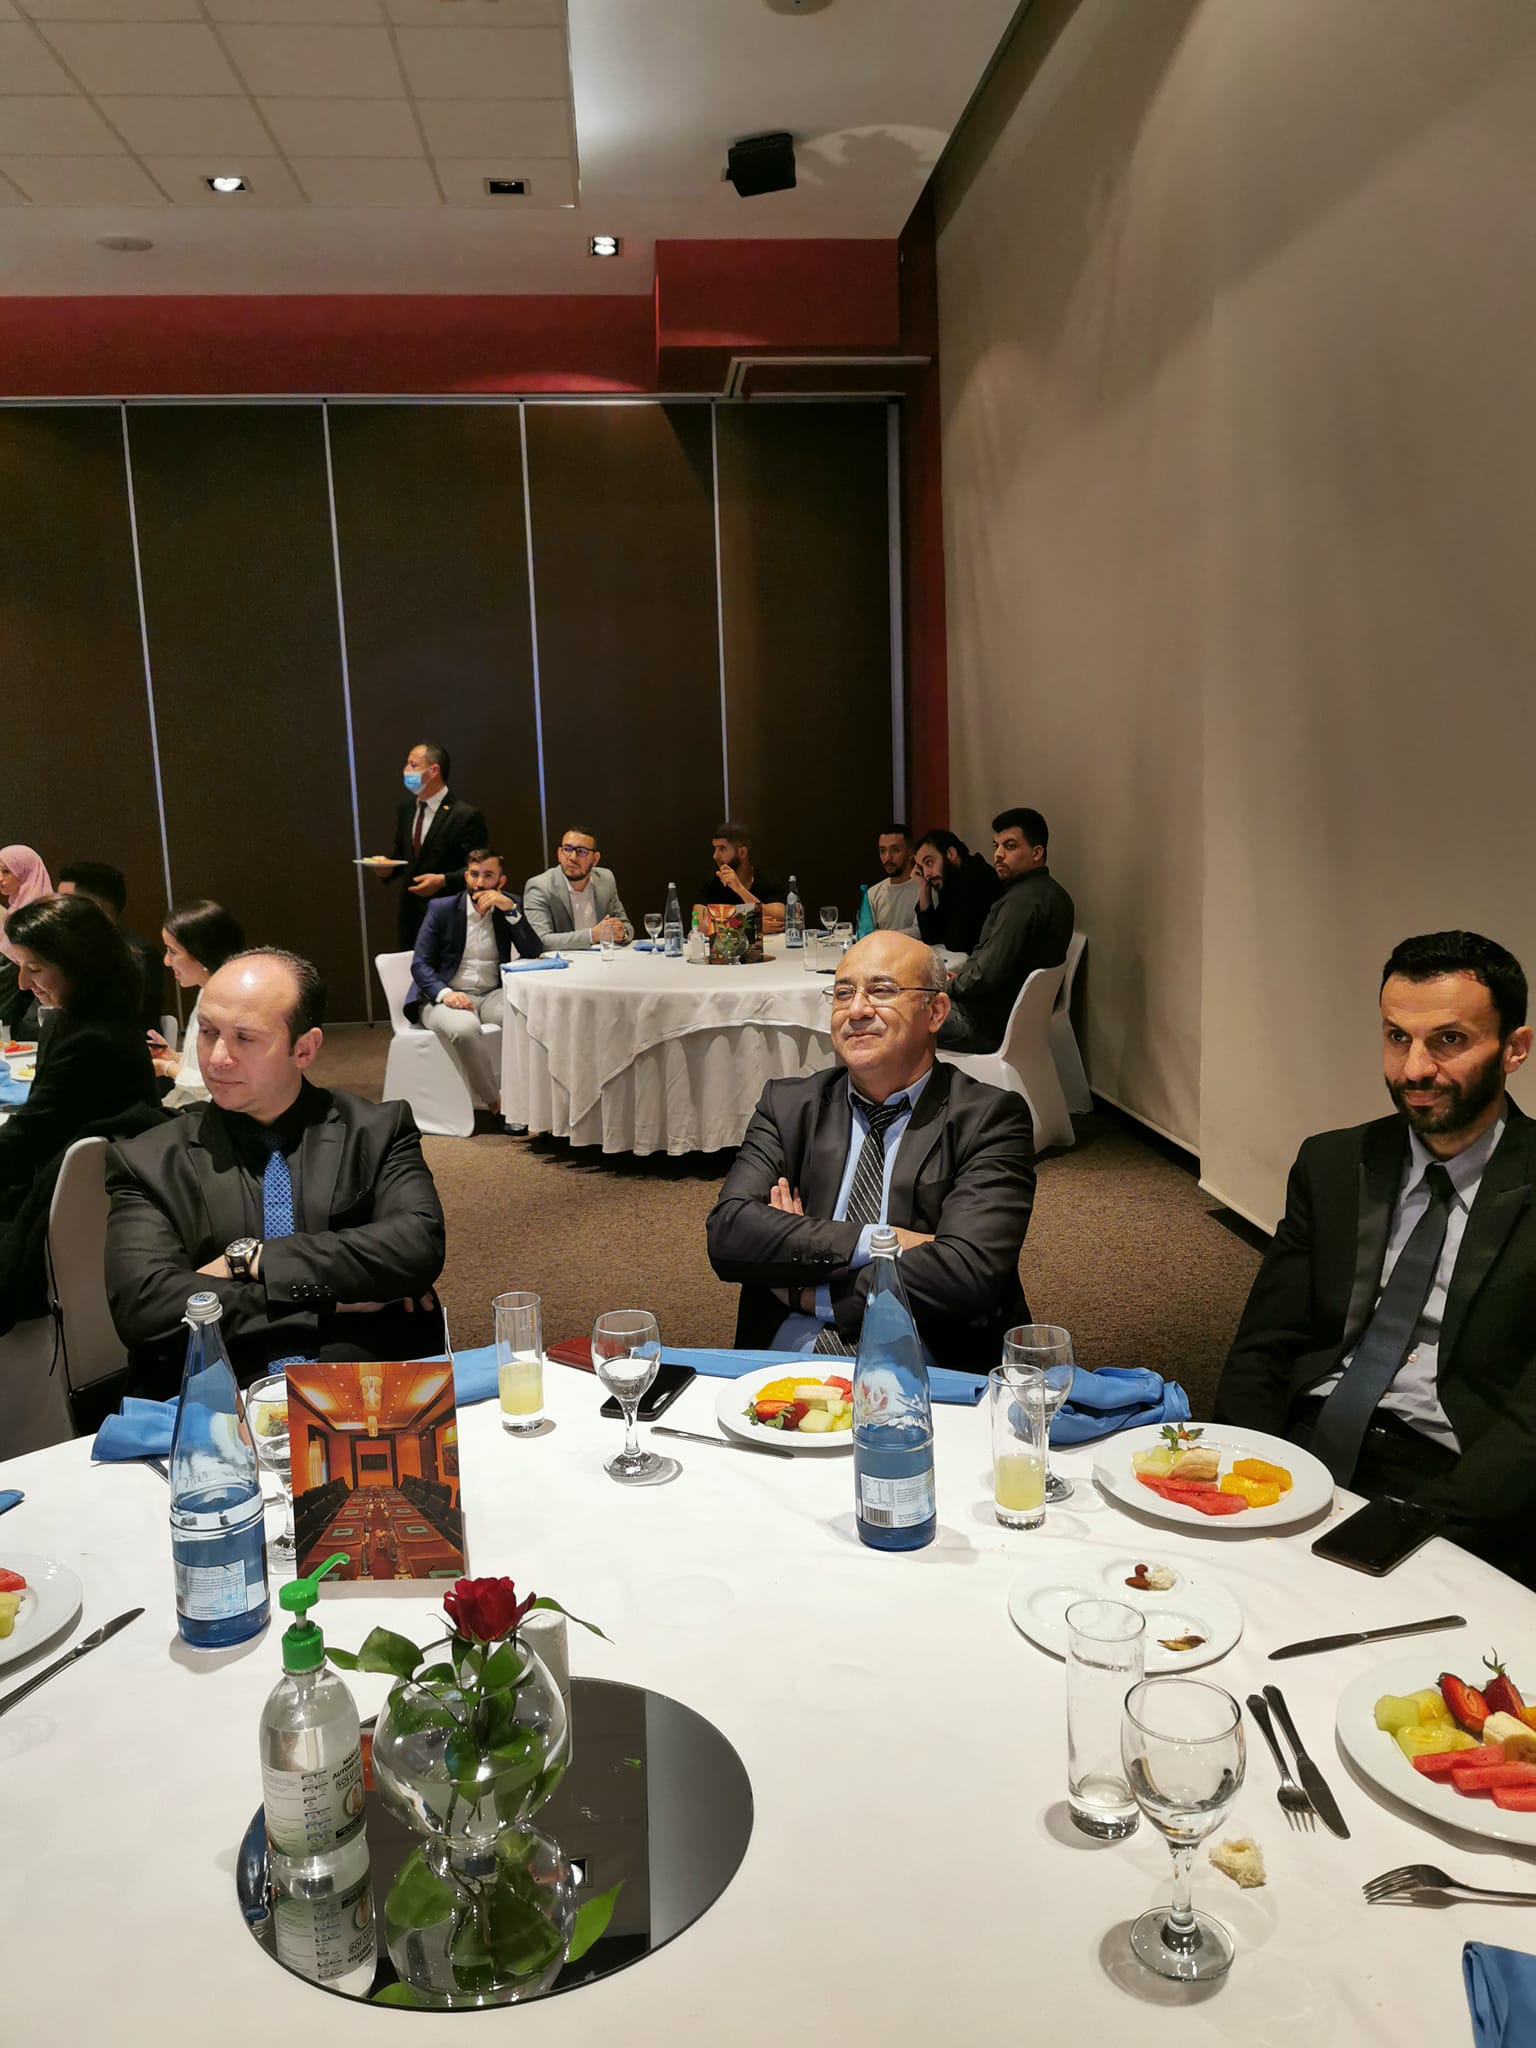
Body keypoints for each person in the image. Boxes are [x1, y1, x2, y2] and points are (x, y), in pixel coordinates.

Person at [1215, 930, 1536, 1585]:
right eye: (1397, 1037)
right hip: (1308, 1437)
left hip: (1454, 1474)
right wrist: (1248, 1469)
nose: (1414, 1069)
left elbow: (1527, 1426)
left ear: (1515, 1049)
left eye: (1448, 1040)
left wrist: (1403, 1527)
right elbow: (1264, 1346)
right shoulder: (1334, 1163)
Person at [105, 947, 446, 1393]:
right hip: (218, 1397)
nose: (217, 1057)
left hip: (361, 1393)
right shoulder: (148, 1160)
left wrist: (249, 1262)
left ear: (304, 1049)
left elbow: (416, 1247)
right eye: (207, 1032)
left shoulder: (377, 1130)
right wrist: (326, 1299)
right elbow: (145, 1308)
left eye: (244, 1038)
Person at [706, 930, 1035, 1367]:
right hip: (782, 1356)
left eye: (881, 991)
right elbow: (729, 1234)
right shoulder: (787, 1107)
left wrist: (810, 1289)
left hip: (923, 1357)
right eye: (843, 994)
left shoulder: (989, 1118)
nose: (857, 1010)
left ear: (935, 1011)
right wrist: (878, 1242)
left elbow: (968, 1271)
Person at [0, 894, 159, 1224]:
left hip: (81, 1204)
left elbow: (28, 1139)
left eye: (34, 968)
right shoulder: (91, 1017)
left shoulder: (91, 1041)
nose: (23, 983)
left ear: (78, 965)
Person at [407, 848, 542, 1109]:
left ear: (501, 881)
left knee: (530, 1018)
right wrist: (446, 994)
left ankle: (530, 1096)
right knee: (465, 1030)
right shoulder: (442, 909)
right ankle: (495, 1103)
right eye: (474, 874)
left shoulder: (508, 906)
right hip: (444, 996)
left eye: (488, 875)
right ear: (466, 876)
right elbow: (420, 964)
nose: (479, 883)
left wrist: (511, 911)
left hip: (492, 994)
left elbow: (533, 951)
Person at [938, 809, 1075, 1054]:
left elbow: (986, 975)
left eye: (1010, 846)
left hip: (984, 1025)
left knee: (896, 1017)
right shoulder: (1055, 894)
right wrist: (959, 981)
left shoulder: (1021, 902)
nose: (998, 855)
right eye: (997, 846)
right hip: (1016, 1021)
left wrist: (947, 986)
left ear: (1036, 853)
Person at [368, 742, 488, 951]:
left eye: (413, 765)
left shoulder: (465, 816)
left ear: (434, 771)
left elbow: (479, 870)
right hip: (411, 919)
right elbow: (404, 857)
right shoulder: (406, 810)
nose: (406, 771)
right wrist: (387, 869)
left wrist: (442, 880)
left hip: (449, 915)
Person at [151, 899, 246, 1110]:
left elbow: (220, 1081)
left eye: (172, 951)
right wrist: (174, 1056)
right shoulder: (206, 991)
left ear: (201, 952)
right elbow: (202, 1066)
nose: (166, 961)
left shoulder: (228, 1004)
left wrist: (167, 1067)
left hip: (211, 1112)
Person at [56, 860, 162, 1039]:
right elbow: (30, 1023)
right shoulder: (63, 949)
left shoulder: (137, 953)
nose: (56, 909)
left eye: (64, 901)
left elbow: (128, 1021)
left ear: (94, 907)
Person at [523, 829, 633, 952]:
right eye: (567, 849)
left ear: (595, 859)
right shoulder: (540, 886)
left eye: (581, 851)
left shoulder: (605, 879)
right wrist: (592, 935)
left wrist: (622, 933)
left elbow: (626, 925)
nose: (572, 857)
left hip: (600, 958)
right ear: (559, 854)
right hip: (563, 961)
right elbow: (540, 940)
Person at [913, 828, 1000, 956]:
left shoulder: (977, 876)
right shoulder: (950, 879)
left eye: (929, 862)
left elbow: (958, 943)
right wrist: (924, 887)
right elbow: (931, 936)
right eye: (921, 867)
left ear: (951, 854)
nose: (926, 874)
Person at [0, 843, 53, 1038]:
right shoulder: (13, 910)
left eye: (6, 871)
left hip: (33, 1018)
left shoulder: (41, 916)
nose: (0, 878)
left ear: (26, 871)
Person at [698, 823, 787, 937]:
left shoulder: (767, 879)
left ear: (742, 852)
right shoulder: (712, 881)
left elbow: (778, 919)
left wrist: (740, 889)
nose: (715, 856)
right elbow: (700, 925)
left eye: (722, 849)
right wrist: (750, 926)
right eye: (715, 848)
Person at [857, 822, 922, 937]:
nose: (888, 858)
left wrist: (882, 936)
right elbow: (865, 933)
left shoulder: (923, 889)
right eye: (882, 851)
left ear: (911, 853)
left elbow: (920, 931)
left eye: (895, 850)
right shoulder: (873, 893)